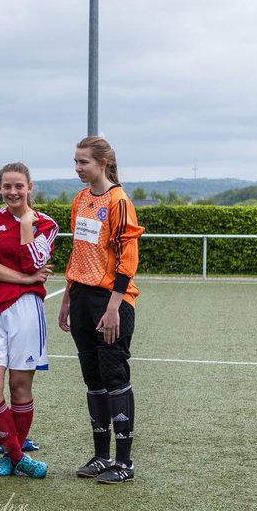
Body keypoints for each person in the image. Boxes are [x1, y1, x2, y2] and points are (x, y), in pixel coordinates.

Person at [58, 136, 144, 484]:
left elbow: (128, 259)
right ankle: (100, 456)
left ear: (103, 163)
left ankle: (124, 462)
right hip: (80, 297)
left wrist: (113, 308)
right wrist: (67, 298)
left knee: (114, 378)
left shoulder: (120, 201)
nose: (78, 168)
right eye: (75, 162)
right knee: (93, 379)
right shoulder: (80, 200)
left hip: (111, 301)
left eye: (84, 162)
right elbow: (79, 252)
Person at [0, 162, 56, 478]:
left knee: (19, 387)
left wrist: (26, 225)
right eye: (6, 186)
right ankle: (19, 456)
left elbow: (34, 259)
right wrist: (25, 279)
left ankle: (9, 458)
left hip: (26, 312)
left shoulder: (46, 224)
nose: (12, 192)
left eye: (19, 186)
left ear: (29, 187)